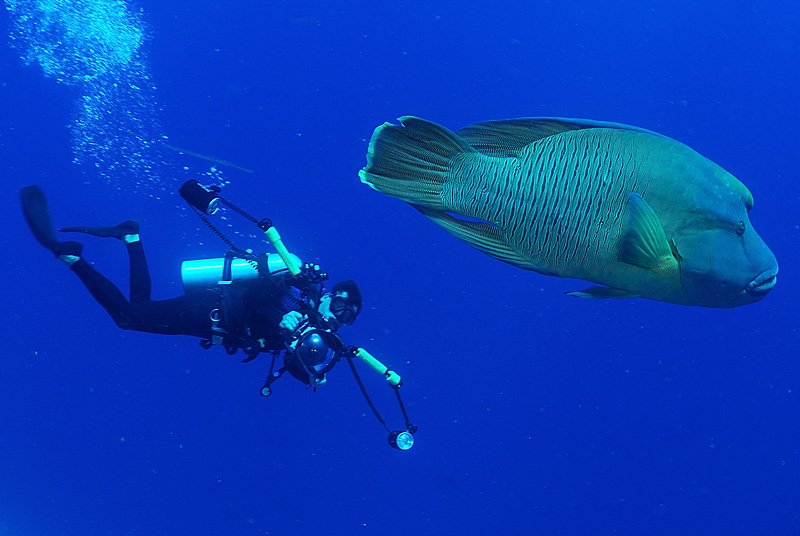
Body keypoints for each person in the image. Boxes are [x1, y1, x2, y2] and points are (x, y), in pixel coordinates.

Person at [20, 184, 362, 388]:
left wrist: (312, 375)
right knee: (128, 318)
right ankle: (71, 258)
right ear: (330, 295)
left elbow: (289, 361)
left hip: (214, 325)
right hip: (213, 309)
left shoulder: (313, 331)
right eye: (341, 304)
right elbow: (258, 294)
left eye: (348, 316)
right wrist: (281, 318)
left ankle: (130, 235)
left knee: (140, 305)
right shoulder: (299, 293)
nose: (340, 315)